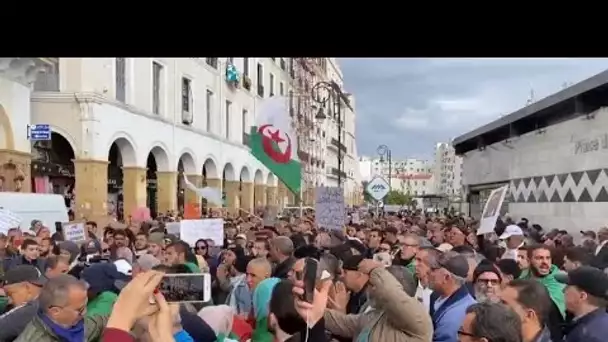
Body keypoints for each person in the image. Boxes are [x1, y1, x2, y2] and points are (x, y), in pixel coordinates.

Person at [323, 259, 432, 342]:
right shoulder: (378, 314)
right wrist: (315, 308)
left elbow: (390, 292)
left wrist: (375, 269)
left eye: (375, 286)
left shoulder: (418, 318)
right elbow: (345, 323)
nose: (371, 289)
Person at [15, 274, 107, 342]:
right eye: (79, 310)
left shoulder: (80, 325)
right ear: (55, 311)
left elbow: (102, 322)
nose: (84, 313)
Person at [428, 252, 477, 342]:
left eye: (433, 269)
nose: (429, 272)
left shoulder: (452, 320)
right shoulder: (439, 297)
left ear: (446, 277)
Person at [558, 266, 608, 342]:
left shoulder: (585, 336)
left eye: (568, 286)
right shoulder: (602, 322)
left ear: (582, 296)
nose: (563, 290)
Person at [0, 265, 46, 342]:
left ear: (27, 287)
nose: (9, 301)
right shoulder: (49, 299)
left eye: (10, 294)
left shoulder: (30, 309)